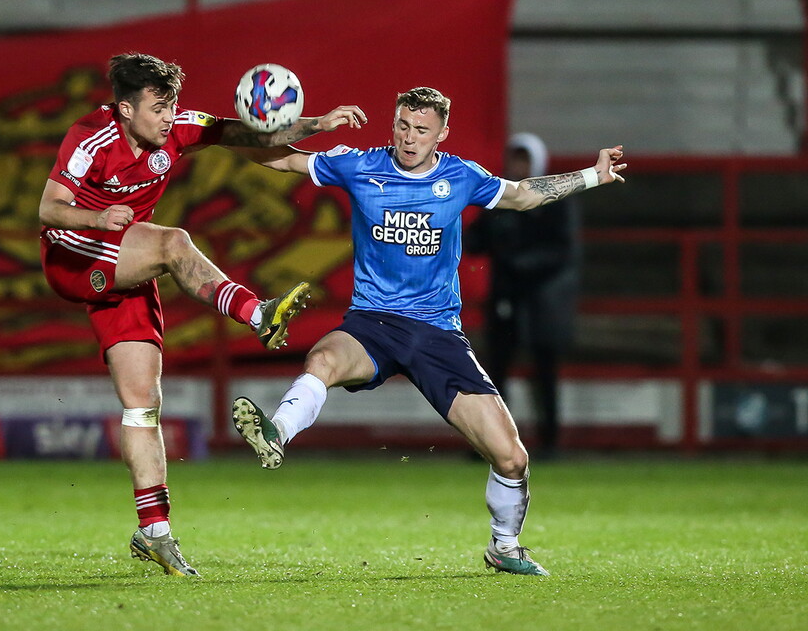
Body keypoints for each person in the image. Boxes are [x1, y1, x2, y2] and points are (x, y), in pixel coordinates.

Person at [230, 87, 625, 576]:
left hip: (438, 334)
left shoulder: (460, 176)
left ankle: (504, 546)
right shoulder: (358, 164)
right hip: (373, 323)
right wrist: (218, 134)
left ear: (441, 134)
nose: (409, 138)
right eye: (402, 126)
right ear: (392, 125)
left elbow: (522, 196)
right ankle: (278, 432)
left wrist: (593, 174)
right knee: (324, 360)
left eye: (421, 130)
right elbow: (279, 161)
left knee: (513, 459)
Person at [39, 52, 367, 577]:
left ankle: (155, 532)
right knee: (173, 242)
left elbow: (247, 133)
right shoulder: (88, 137)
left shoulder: (179, 129)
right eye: (159, 107)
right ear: (124, 109)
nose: (170, 116)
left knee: (143, 404)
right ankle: (257, 313)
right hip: (74, 255)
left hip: (125, 262)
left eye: (173, 105)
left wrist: (317, 123)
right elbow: (49, 208)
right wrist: (99, 215)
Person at [464, 133, 581, 460]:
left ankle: (549, 442)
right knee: (495, 373)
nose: (518, 166)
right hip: (506, 299)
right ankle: (492, 443)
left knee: (544, 372)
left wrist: (517, 261)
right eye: (514, 159)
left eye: (524, 159)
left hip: (543, 301)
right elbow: (474, 240)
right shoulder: (499, 199)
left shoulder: (557, 199)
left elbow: (562, 250)